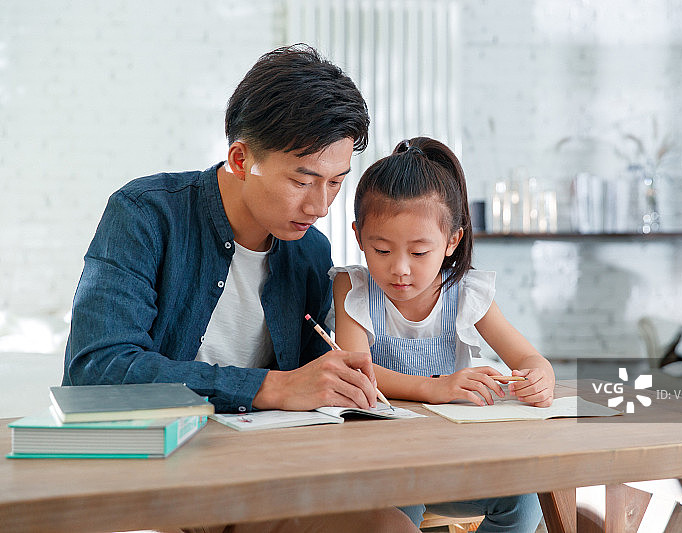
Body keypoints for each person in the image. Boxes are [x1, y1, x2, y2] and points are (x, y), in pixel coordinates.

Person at [62, 44, 418, 533]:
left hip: (263, 479)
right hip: (153, 474)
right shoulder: (146, 214)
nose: (320, 205)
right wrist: (271, 386)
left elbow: (315, 387)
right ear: (240, 158)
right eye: (303, 179)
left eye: (336, 183)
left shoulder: (310, 252)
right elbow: (95, 371)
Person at [329, 137, 555, 532]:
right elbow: (356, 372)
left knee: (525, 499)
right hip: (384, 462)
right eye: (381, 250)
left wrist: (539, 376)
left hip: (456, 457)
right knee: (397, 511)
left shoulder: (467, 292)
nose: (400, 269)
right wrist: (436, 387)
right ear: (359, 236)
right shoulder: (353, 289)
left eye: (419, 253)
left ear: (452, 241)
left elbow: (529, 359)